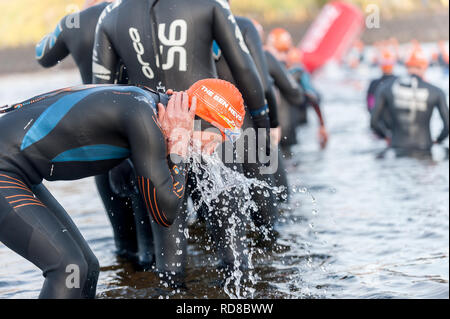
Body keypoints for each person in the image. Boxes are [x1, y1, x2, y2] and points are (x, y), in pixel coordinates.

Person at [0, 79, 246, 298]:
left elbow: (122, 182)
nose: (214, 149)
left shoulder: (145, 103)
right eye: (219, 137)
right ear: (198, 119)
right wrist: (179, 146)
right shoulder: (143, 116)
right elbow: (164, 213)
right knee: (68, 268)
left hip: (17, 171)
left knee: (87, 268)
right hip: (5, 168)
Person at [92, 0, 271, 280]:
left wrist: (113, 160)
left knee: (167, 262)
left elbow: (99, 95)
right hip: (209, 133)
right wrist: (261, 126)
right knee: (234, 255)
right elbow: (244, 68)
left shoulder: (111, 13)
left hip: (150, 138)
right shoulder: (209, 3)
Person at [35, 0, 153, 269]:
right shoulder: (141, 10)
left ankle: (127, 283)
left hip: (103, 142)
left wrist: (64, 24)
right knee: (156, 249)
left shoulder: (75, 23)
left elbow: (42, 55)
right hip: (147, 133)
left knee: (125, 249)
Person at [371, 48, 449, 157]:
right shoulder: (436, 92)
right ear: (424, 67)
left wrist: (386, 137)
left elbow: (374, 121)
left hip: (396, 147)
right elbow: (448, 125)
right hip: (425, 148)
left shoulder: (386, 88)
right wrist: (438, 141)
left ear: (407, 67)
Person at [36, 1, 113, 84]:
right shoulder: (125, 11)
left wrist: (83, 13)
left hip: (97, 95)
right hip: (127, 95)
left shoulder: (73, 22)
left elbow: (42, 57)